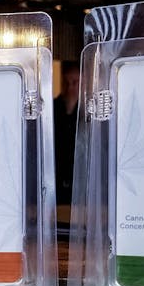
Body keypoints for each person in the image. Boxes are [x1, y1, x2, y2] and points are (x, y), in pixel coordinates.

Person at [53, 59, 80, 205]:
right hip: (56, 175)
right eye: (67, 82)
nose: (70, 87)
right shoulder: (52, 108)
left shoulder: (87, 109)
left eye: (75, 82)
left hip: (78, 176)